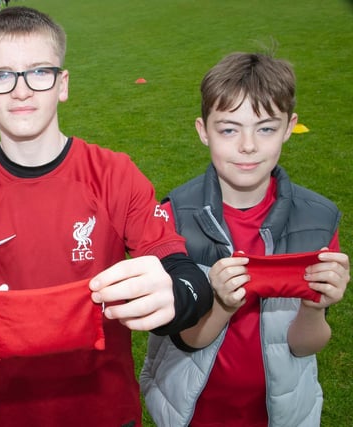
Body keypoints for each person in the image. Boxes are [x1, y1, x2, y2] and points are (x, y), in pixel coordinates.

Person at [0, 6, 212, 426]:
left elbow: (188, 278)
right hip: (18, 415)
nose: (21, 91)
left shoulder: (113, 174)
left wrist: (177, 295)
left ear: (62, 84)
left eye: (38, 72)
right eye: (2, 75)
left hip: (110, 412)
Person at [140, 52, 350, 427]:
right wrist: (220, 302)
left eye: (266, 128)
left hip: (282, 415)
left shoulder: (316, 220)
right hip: (194, 412)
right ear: (203, 130)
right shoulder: (173, 217)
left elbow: (303, 346)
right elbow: (188, 340)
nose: (248, 146)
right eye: (229, 129)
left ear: (290, 126)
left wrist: (317, 306)